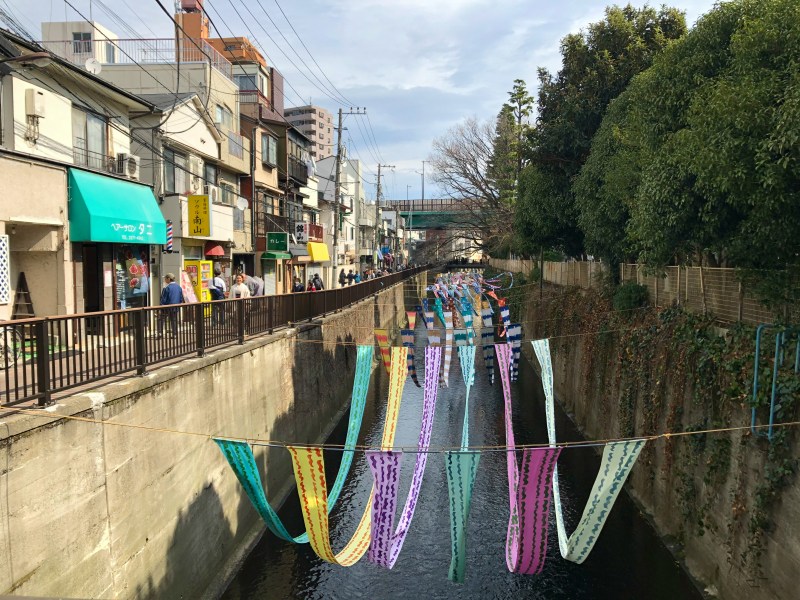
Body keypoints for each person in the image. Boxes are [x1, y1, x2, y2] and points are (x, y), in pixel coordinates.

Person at [158, 273, 184, 338]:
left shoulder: (167, 288)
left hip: (167, 307)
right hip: (175, 307)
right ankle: (174, 334)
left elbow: (163, 299)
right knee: (174, 320)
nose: (165, 280)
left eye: (165, 278)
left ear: (169, 279)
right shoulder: (179, 287)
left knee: (161, 319)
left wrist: (160, 307)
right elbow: (181, 298)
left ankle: (160, 333)